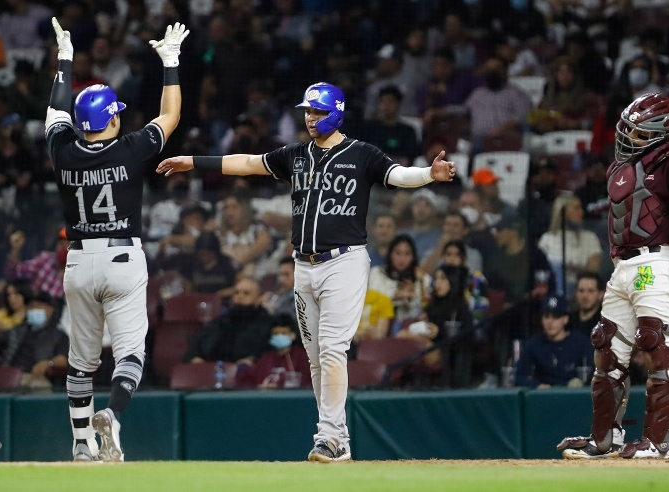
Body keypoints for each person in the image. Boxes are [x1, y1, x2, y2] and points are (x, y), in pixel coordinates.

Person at [156, 81, 456, 463]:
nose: (310, 118)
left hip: (344, 261)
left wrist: (430, 174)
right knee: (315, 356)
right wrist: (195, 162)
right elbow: (250, 163)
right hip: (303, 265)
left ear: (337, 112)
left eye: (317, 112)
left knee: (332, 349)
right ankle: (339, 438)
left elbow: (398, 175)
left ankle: (327, 437)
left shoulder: (361, 154)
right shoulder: (297, 154)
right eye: (307, 112)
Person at [45, 18, 188, 462]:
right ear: (112, 117)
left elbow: (55, 112)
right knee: (130, 354)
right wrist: (171, 62)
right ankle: (115, 415)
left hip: (77, 261)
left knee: (81, 361)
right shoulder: (130, 148)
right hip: (123, 257)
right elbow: (171, 115)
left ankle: (81, 443)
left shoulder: (62, 149)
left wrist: (65, 61)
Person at [557, 92, 669, 460]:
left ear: (659, 131)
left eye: (636, 130)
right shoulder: (621, 166)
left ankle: (659, 442)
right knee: (607, 350)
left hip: (657, 263)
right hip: (623, 266)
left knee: (656, 345)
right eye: (626, 128)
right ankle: (604, 440)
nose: (627, 135)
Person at [182, 277, 273, 365]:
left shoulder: (268, 324)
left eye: (246, 293)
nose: (240, 296)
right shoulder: (220, 322)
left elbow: (268, 354)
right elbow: (196, 344)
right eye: (236, 293)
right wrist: (194, 357)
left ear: (258, 299)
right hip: (211, 372)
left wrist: (253, 360)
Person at [514, 295, 594, 389]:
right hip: (543, 398)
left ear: (565, 319)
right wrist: (537, 386)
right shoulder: (533, 345)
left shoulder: (580, 343)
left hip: (573, 397)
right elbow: (518, 377)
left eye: (555, 317)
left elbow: (593, 374)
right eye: (546, 317)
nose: (550, 322)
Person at [0, 290, 69, 391]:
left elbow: (63, 360)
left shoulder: (58, 335)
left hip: (36, 376)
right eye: (31, 307)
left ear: (50, 310)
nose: (34, 309)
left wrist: (48, 363)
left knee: (39, 387)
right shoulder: (17, 331)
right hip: (12, 374)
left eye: (39, 306)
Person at [235, 313, 311, 389]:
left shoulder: (302, 357)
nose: (279, 336)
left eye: (283, 333)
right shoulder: (266, 358)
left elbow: (307, 383)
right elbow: (247, 380)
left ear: (293, 335)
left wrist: (279, 387)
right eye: (275, 333)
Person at [566, 272, 604, 337]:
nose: (585, 295)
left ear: (600, 295)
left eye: (591, 291)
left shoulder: (606, 323)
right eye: (581, 291)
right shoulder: (568, 321)